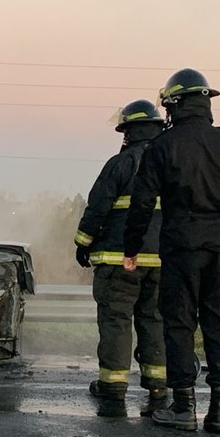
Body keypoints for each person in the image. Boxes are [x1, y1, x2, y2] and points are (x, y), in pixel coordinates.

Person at [123, 69, 220, 434]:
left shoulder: (162, 145)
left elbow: (142, 202)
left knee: (179, 324)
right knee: (219, 325)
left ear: (175, 104)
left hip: (181, 247)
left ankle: (184, 407)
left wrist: (131, 248)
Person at [73, 99, 167, 415]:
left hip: (118, 260)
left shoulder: (121, 163)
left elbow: (97, 207)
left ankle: (113, 385)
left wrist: (82, 243)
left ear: (130, 131)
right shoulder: (171, 166)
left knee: (116, 321)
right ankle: (158, 384)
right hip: (162, 262)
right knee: (154, 320)